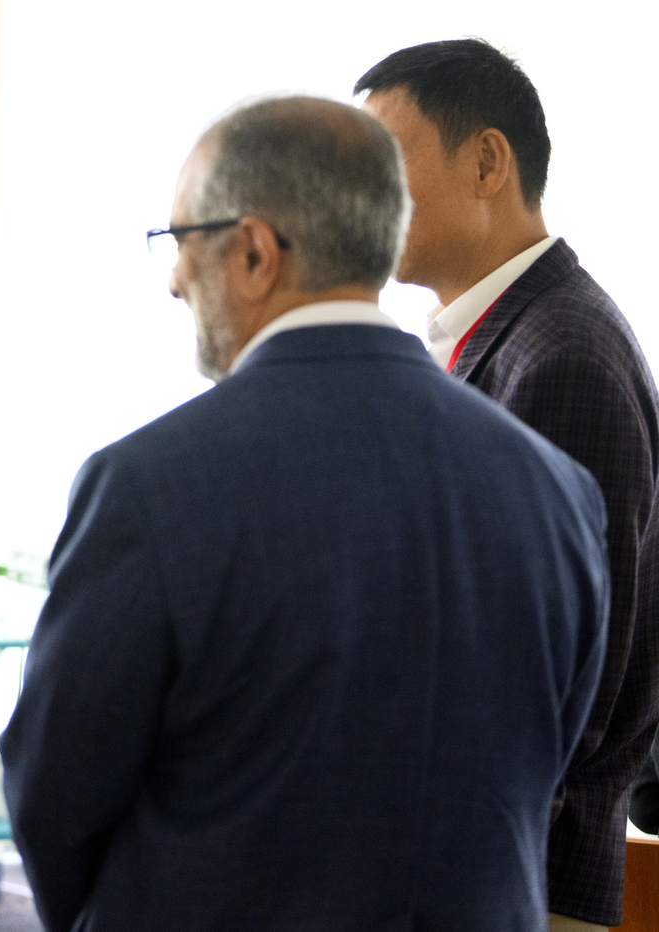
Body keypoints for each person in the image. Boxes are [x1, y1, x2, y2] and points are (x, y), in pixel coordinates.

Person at [0, 96, 611, 932]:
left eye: (180, 241)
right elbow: (549, 758)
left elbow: (54, 794)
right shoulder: (560, 491)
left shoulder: (148, 486)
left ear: (253, 251)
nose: (174, 278)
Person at [357, 40, 659, 931]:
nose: (366, 196)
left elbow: (571, 682)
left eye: (387, 163)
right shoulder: (494, 335)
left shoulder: (562, 354)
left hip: (518, 876)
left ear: (487, 160)